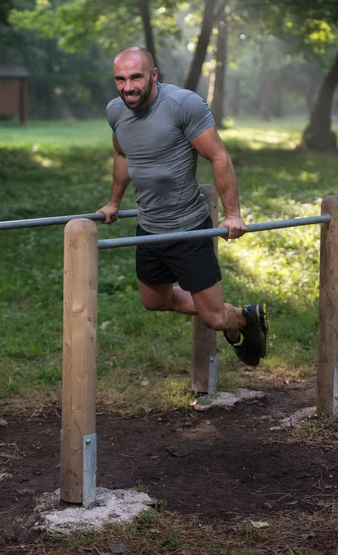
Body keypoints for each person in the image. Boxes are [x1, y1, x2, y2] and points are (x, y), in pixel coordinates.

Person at [97, 46, 268, 366]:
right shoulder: (115, 112)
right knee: (153, 300)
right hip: (149, 229)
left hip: (188, 229)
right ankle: (238, 313)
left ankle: (240, 320)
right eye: (120, 79)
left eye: (136, 77)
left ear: (154, 75)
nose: (128, 87)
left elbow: (218, 156)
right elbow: (123, 157)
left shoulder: (181, 105)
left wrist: (233, 215)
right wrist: (113, 203)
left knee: (214, 319)